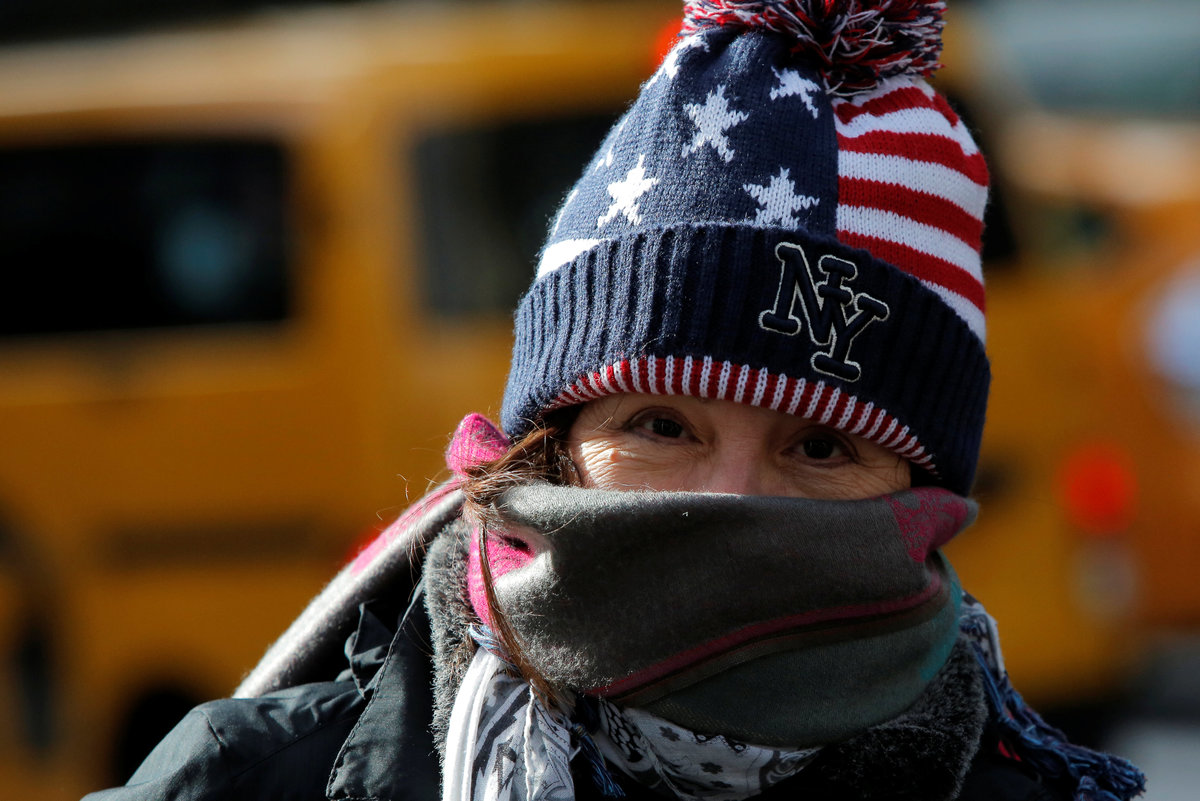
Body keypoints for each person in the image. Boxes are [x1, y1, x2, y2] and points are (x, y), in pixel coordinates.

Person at [86, 2, 1146, 800]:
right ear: (551, 446)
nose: (731, 502)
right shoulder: (252, 781)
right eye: (661, 426)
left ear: (921, 500)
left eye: (822, 448)